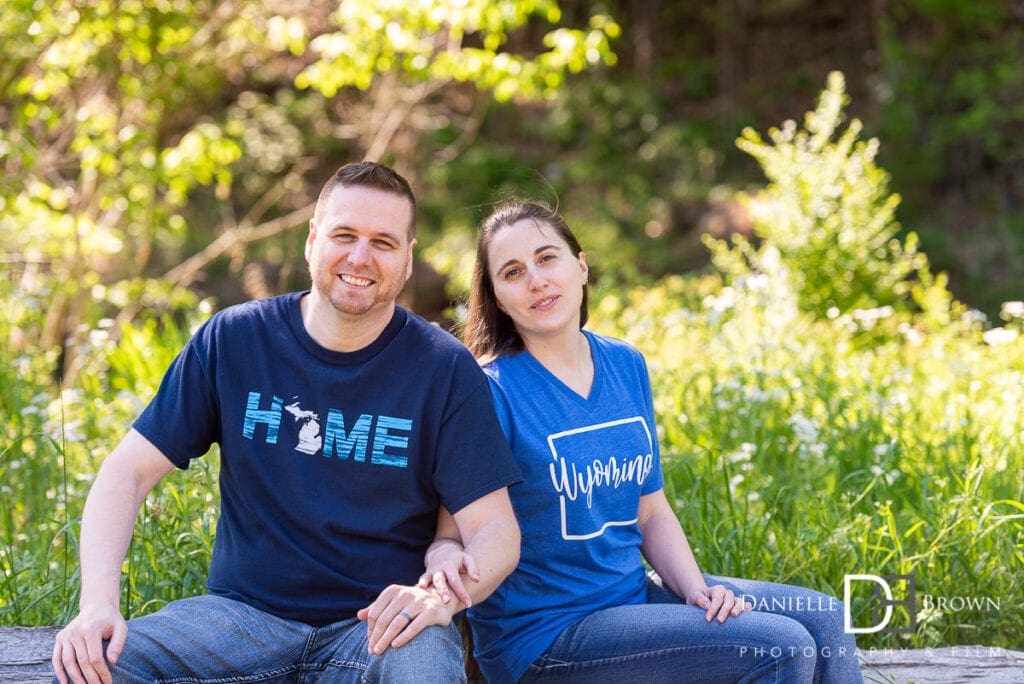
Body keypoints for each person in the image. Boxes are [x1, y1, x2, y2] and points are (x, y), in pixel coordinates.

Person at [51, 161, 522, 684]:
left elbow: (497, 531)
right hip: (238, 621)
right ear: (313, 240)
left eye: (383, 243)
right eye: (344, 235)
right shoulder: (235, 340)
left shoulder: (442, 367)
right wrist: (97, 605)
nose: (360, 257)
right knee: (91, 670)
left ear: (407, 260)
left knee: (427, 673)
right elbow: (126, 473)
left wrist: (434, 600)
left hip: (378, 630)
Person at [436, 199, 863, 683]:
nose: (537, 280)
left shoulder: (625, 365)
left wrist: (695, 589)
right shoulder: (489, 392)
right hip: (547, 638)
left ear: (580, 265)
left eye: (547, 257)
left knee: (827, 620)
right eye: (513, 272)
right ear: (495, 297)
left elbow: (651, 511)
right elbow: (454, 533)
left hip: (632, 598)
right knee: (780, 648)